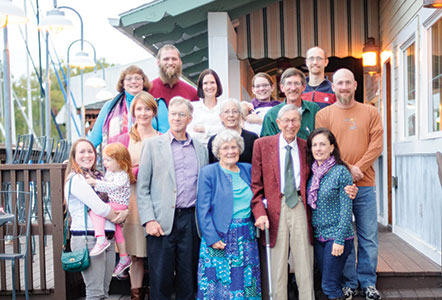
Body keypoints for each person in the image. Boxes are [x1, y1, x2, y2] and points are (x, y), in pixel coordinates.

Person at [315, 68, 383, 300]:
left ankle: (368, 282)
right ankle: (349, 282)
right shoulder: (324, 115)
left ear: (355, 85)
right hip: (336, 188)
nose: (343, 87)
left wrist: (358, 169)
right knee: (343, 235)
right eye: (339, 83)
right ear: (332, 87)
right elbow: (322, 146)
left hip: (365, 184)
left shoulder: (370, 111)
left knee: (368, 236)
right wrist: (345, 171)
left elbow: (377, 144)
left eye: (347, 83)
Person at [137, 96, 208, 300]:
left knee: (189, 278)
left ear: (190, 118)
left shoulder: (200, 148)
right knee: (161, 279)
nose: (176, 118)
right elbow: (142, 188)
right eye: (173, 114)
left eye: (181, 115)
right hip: (160, 221)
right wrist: (149, 220)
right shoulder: (152, 145)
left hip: (191, 220)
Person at [252, 104, 315, 300]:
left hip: (298, 204)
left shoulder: (306, 146)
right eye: (286, 120)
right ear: (278, 123)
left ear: (300, 122)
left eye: (294, 120)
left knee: (304, 262)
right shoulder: (262, 145)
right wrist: (259, 212)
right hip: (273, 207)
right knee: (277, 265)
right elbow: (256, 185)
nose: (290, 124)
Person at [196, 129, 261, 299]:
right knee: (217, 285)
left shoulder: (248, 169)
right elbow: (203, 209)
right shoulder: (208, 172)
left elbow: (258, 197)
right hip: (220, 235)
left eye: (234, 147)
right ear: (218, 152)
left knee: (246, 282)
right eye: (225, 148)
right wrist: (211, 237)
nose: (230, 151)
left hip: (246, 236)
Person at [110, 91, 160, 299]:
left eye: (147, 108)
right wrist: (137, 171)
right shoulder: (123, 139)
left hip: (156, 200)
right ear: (133, 112)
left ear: (154, 112)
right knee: (136, 255)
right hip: (131, 201)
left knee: (158, 254)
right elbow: (114, 169)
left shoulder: (162, 138)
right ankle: (136, 293)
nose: (143, 113)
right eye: (139, 109)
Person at [64, 138, 128, 300]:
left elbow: (116, 199)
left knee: (105, 291)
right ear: (73, 156)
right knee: (95, 292)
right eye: (82, 152)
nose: (87, 155)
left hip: (107, 237)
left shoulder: (99, 177)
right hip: (88, 238)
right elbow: (99, 207)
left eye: (90, 151)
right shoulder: (77, 179)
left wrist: (125, 212)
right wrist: (120, 216)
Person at [306, 128, 354, 300]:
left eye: (323, 144)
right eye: (314, 145)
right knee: (329, 281)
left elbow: (347, 209)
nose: (318, 148)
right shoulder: (312, 174)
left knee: (329, 285)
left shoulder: (341, 172)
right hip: (319, 238)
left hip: (337, 236)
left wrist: (339, 239)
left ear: (332, 148)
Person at [85, 143, 136, 277]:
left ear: (119, 161)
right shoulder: (112, 172)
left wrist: (95, 183)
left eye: (108, 160)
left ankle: (101, 238)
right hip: (115, 204)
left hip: (118, 205)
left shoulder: (121, 175)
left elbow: (112, 187)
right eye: (104, 159)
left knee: (95, 211)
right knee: (118, 230)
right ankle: (124, 256)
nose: (105, 163)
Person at [88, 65, 169, 147]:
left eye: (137, 78)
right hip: (117, 157)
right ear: (123, 83)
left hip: (149, 155)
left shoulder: (157, 104)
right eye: (129, 79)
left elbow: (166, 137)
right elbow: (94, 138)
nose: (133, 81)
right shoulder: (109, 107)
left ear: (143, 82)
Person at [260, 67, 320, 139]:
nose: (293, 88)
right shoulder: (272, 115)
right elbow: (267, 144)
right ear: (282, 87)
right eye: (289, 84)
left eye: (296, 83)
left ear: (303, 87)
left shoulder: (314, 110)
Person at [207, 98, 258, 164]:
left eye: (235, 111)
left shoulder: (252, 138)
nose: (231, 115)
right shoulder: (214, 140)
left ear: (240, 115)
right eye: (226, 112)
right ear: (221, 117)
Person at [187, 69, 224, 146]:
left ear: (218, 85)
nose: (209, 86)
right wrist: (216, 131)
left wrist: (205, 129)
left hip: (220, 153)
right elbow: (190, 135)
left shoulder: (224, 107)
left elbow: (226, 132)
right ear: (201, 86)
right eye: (205, 83)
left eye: (212, 82)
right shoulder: (193, 108)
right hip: (198, 152)